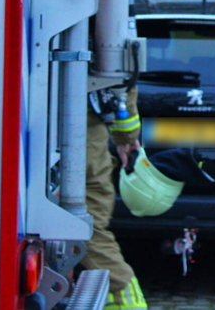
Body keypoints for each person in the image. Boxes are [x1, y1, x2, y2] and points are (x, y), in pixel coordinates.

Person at [85, 86, 148, 310]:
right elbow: (122, 84)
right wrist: (127, 138)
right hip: (88, 148)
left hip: (81, 150)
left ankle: (125, 301)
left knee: (88, 231)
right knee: (90, 230)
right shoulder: (106, 53)